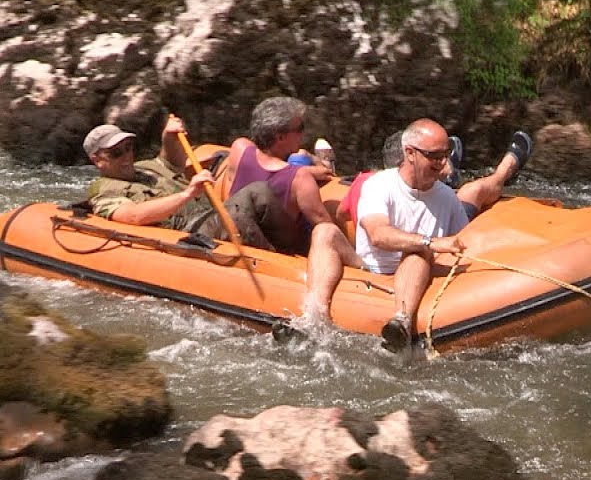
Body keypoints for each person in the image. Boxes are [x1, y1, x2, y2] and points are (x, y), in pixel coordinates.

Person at [300, 119, 532, 351]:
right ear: (410, 153)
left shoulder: (447, 198)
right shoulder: (378, 185)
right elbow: (377, 234)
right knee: (324, 231)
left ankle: (401, 322)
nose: (442, 163)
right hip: (369, 268)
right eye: (435, 156)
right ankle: (315, 318)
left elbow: (461, 247)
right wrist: (429, 242)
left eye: (445, 155)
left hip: (417, 271)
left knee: (419, 252)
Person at [84, 117, 293, 251]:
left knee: (260, 191)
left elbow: (170, 159)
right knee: (236, 216)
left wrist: (168, 135)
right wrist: (187, 194)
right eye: (116, 153)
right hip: (189, 231)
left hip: (209, 213)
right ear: (97, 160)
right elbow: (133, 216)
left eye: (129, 147)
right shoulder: (103, 191)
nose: (126, 156)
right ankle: (276, 264)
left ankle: (295, 251)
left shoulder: (146, 168)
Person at [219, 97, 335, 253]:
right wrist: (311, 167)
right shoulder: (300, 178)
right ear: (280, 137)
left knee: (299, 156)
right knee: (302, 159)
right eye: (299, 128)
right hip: (278, 253)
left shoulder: (239, 149)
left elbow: (268, 166)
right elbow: (328, 229)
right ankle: (326, 162)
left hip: (232, 236)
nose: (303, 133)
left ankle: (309, 157)